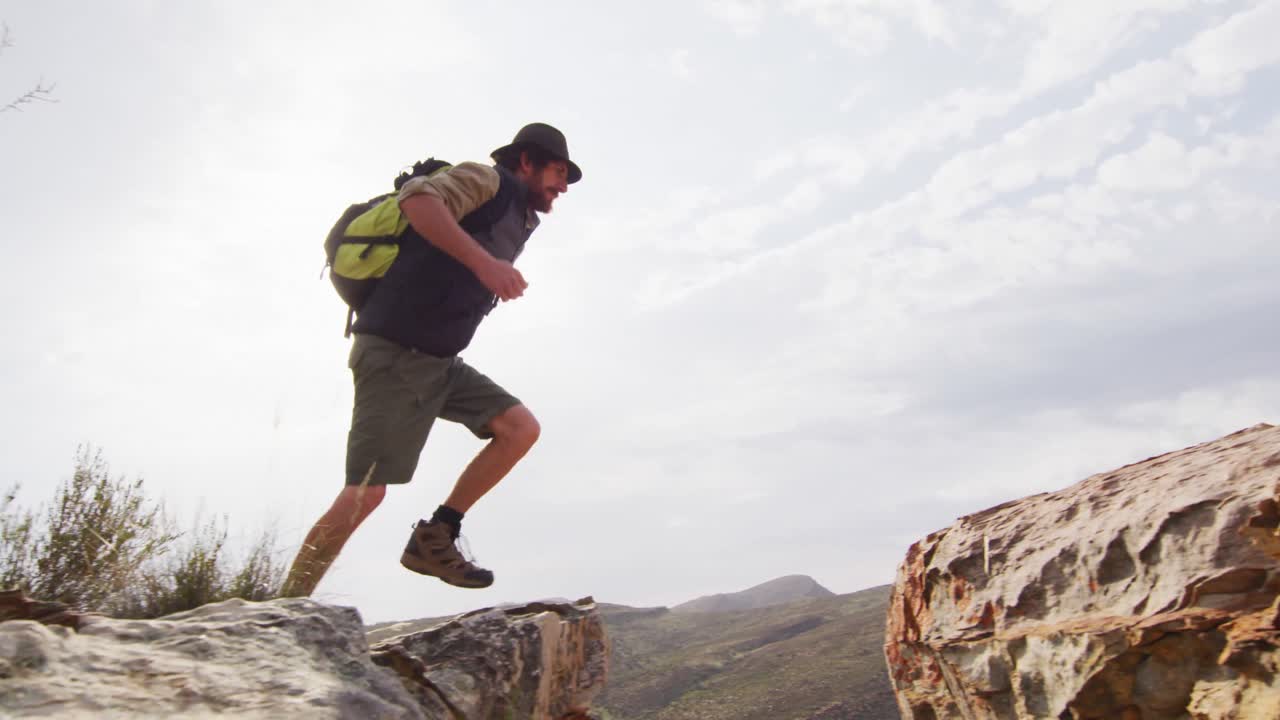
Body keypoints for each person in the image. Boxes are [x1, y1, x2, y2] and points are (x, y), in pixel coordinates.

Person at [282, 123, 582, 596]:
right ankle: (284, 607)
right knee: (366, 492)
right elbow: (418, 202)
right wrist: (486, 265)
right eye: (558, 171)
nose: (563, 186)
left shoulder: (518, 216)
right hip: (395, 353)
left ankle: (436, 535)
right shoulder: (487, 181)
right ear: (527, 161)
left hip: (439, 362)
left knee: (519, 428)